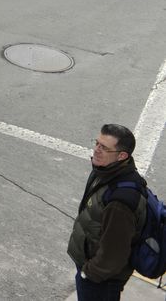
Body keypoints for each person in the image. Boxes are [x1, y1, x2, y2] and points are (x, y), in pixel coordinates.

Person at [68, 124, 147, 300]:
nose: (96, 150)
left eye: (104, 148)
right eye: (97, 143)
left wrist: (88, 273)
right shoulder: (105, 171)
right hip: (93, 268)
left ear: (122, 156)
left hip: (100, 280)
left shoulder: (120, 202)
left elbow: (114, 255)